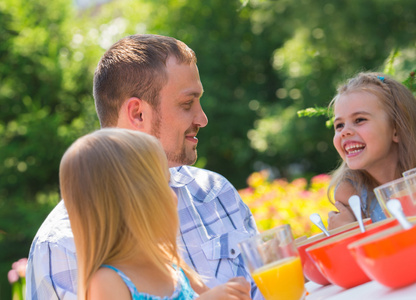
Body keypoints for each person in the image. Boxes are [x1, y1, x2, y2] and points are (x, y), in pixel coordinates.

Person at [26, 34, 261, 299]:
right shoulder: (59, 248)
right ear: (138, 113)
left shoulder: (216, 194)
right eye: (187, 103)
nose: (203, 118)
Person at [60, 128, 251, 299]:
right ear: (133, 202)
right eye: (164, 183)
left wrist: (231, 292)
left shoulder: (171, 265)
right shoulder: (107, 281)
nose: (174, 196)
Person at [327, 72, 416, 230]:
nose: (344, 132)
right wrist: (349, 232)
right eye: (339, 125)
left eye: (359, 120)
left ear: (396, 129)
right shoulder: (351, 196)